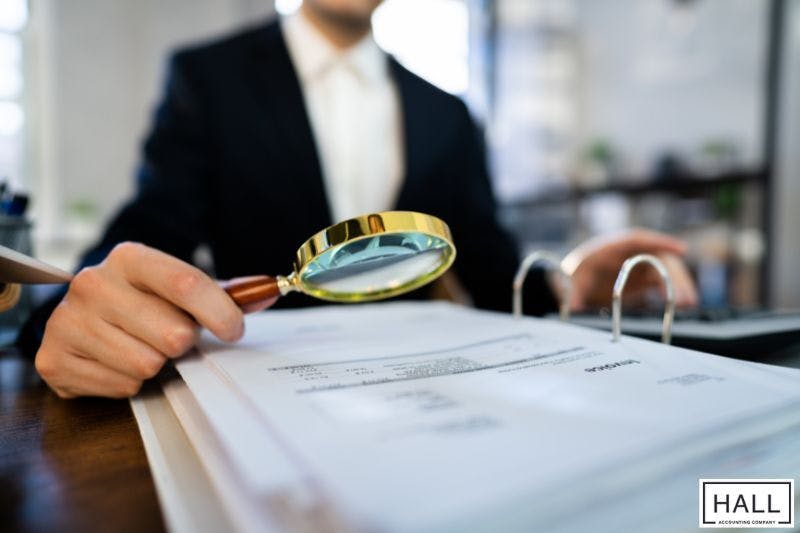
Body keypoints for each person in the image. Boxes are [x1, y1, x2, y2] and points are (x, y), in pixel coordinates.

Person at [20, 0, 697, 399]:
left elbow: (491, 268)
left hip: (425, 395)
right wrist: (69, 309)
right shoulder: (208, 78)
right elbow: (146, 231)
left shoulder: (447, 113)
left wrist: (573, 281)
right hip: (258, 391)